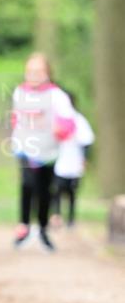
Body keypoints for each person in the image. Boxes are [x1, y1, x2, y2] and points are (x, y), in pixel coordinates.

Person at [10, 53, 75, 251]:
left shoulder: (57, 95)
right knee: (27, 183)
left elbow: (69, 121)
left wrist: (60, 129)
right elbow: (15, 118)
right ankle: (24, 226)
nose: (33, 75)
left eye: (38, 71)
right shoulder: (19, 92)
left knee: (45, 190)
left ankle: (43, 229)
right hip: (25, 148)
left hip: (48, 151)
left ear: (47, 73)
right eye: (30, 71)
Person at [51, 91, 95, 228]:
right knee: (57, 189)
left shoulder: (78, 120)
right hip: (58, 160)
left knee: (71, 192)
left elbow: (87, 140)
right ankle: (56, 216)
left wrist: (84, 159)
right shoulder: (54, 119)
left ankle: (71, 219)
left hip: (74, 160)